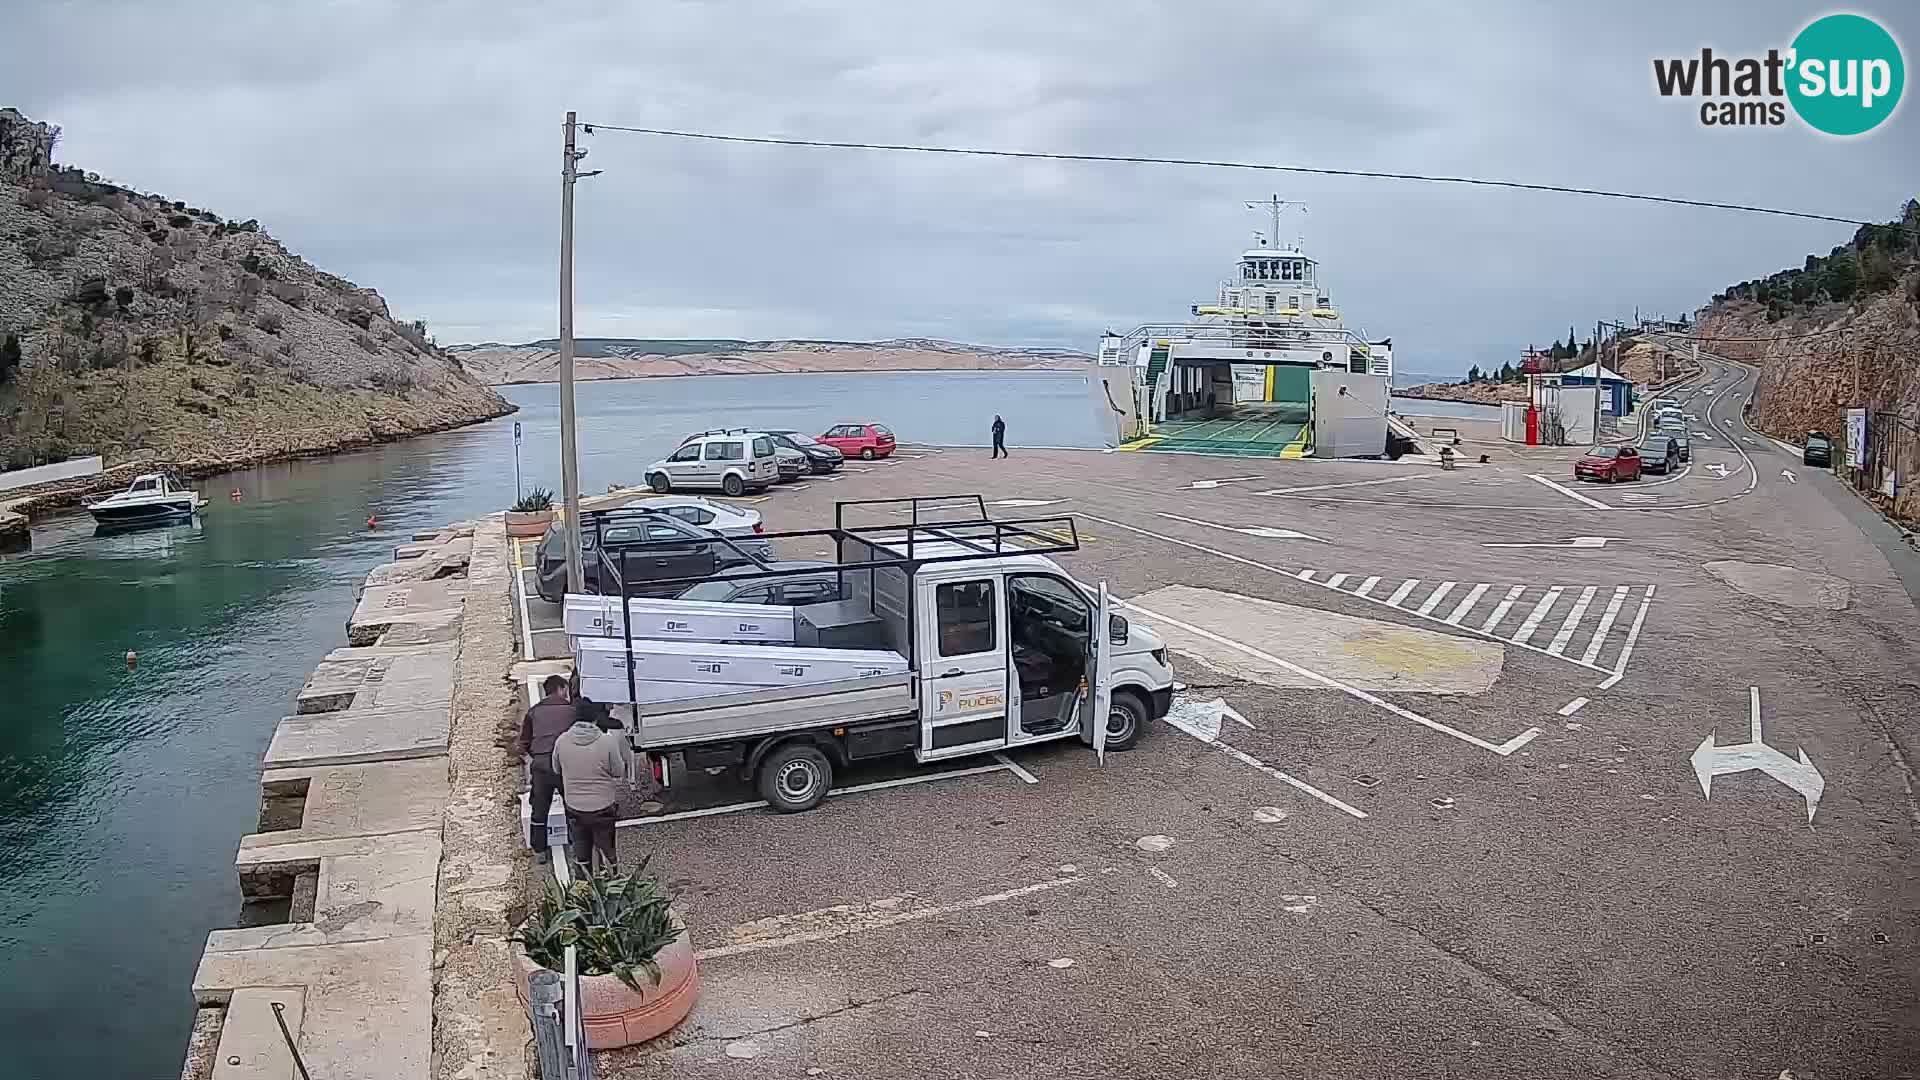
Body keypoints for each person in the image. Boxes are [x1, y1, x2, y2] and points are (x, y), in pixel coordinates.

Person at [553, 703, 631, 873]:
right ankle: (612, 883)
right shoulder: (607, 741)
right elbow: (618, 771)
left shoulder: (562, 740)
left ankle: (584, 889)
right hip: (602, 806)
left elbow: (556, 769)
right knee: (607, 851)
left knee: (581, 853)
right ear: (595, 718)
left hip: (575, 806)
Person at [513, 674, 573, 863]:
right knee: (571, 805)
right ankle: (576, 842)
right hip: (564, 763)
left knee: (539, 809)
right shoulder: (571, 710)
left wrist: (536, 756)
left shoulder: (533, 712)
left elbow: (524, 742)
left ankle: (539, 849)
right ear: (562, 689)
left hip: (540, 765)